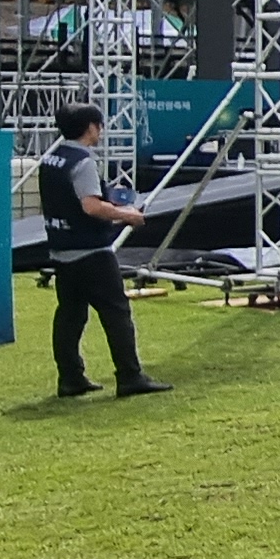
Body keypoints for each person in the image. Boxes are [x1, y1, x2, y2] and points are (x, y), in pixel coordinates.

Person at [37, 102, 169, 399]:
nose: (101, 131)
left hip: (61, 249)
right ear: (91, 127)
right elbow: (91, 206)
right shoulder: (83, 162)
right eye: (99, 125)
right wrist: (127, 215)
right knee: (116, 313)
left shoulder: (51, 158)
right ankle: (130, 376)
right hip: (91, 250)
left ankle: (70, 378)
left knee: (70, 315)